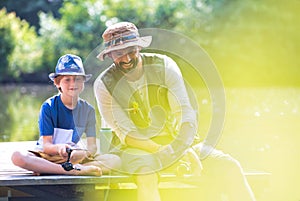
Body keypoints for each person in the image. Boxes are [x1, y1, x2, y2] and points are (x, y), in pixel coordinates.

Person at [94, 22, 256, 201]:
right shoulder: (104, 85)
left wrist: (180, 148)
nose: (126, 59)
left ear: (139, 47)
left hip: (179, 140)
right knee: (147, 177)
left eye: (131, 50)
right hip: (137, 147)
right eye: (118, 53)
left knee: (230, 167)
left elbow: (184, 113)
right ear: (110, 55)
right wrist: (165, 151)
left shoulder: (164, 65)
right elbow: (126, 133)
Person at [11, 54, 121, 176]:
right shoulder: (48, 107)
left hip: (73, 158)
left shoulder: (88, 110)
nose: (73, 83)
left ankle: (56, 169)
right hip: (48, 156)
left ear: (83, 82)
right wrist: (60, 148)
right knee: (18, 156)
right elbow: (47, 146)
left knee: (115, 160)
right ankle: (72, 170)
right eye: (67, 79)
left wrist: (84, 153)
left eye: (78, 79)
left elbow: (92, 147)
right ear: (57, 83)